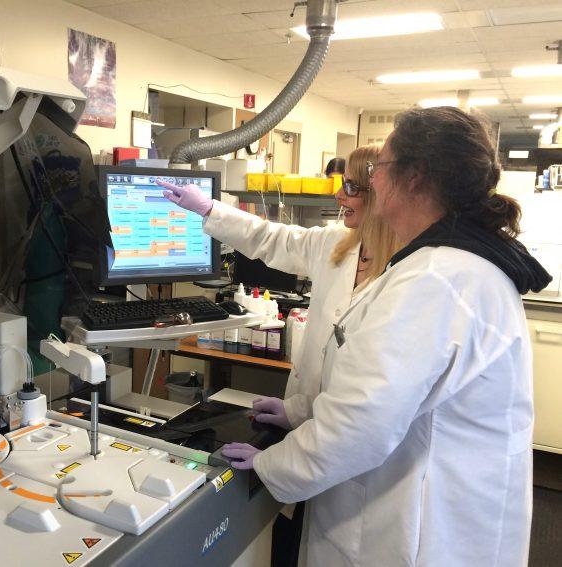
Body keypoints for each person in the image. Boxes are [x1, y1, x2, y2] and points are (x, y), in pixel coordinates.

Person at [221, 107, 552, 567]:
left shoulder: (435, 279)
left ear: (413, 178)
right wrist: (303, 410)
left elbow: (360, 426)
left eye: (378, 169)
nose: (371, 181)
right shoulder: (451, 265)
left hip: (412, 531)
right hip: (442, 508)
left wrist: (268, 466)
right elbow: (394, 394)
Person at [159, 145, 399, 428]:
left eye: (350, 186)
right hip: (303, 413)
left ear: (379, 192)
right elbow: (272, 238)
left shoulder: (404, 273)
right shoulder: (333, 243)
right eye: (340, 184)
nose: (338, 195)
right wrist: (210, 208)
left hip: (351, 430)